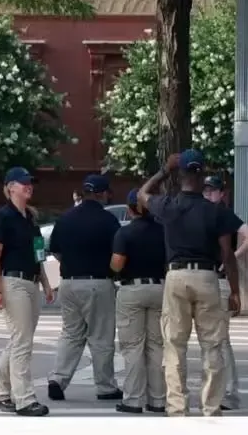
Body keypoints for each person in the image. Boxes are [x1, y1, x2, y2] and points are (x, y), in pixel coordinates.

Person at [138, 150, 240, 417]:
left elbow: (142, 195)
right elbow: (228, 255)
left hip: (176, 276)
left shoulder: (168, 206)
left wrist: (164, 170)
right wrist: (236, 291)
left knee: (174, 345)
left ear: (180, 173)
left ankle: (177, 407)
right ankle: (210, 407)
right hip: (207, 277)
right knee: (212, 345)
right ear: (203, 173)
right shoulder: (216, 212)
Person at [0, 167, 54, 417]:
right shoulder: (4, 217)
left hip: (31, 283)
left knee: (19, 339)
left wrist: (46, 284)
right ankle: (24, 398)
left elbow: (38, 256)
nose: (29, 186)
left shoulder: (30, 220)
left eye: (30, 183)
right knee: (22, 342)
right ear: (10, 187)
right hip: (12, 282)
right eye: (23, 183)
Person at [47, 174, 121, 402]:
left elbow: (55, 251)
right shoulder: (109, 221)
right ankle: (106, 386)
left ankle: (58, 379)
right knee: (101, 336)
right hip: (98, 282)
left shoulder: (66, 218)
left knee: (70, 334)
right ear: (101, 193)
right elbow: (118, 254)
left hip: (68, 282)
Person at [110, 188, 166, 414]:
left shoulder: (125, 233)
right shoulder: (163, 231)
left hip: (132, 289)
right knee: (156, 346)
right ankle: (158, 399)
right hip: (160, 288)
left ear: (129, 209)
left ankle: (133, 399)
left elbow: (117, 264)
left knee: (133, 347)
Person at [202, 175, 246, 411]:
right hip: (205, 278)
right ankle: (218, 389)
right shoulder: (205, 212)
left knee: (220, 339)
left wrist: (232, 258)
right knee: (211, 340)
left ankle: (228, 392)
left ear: (222, 194)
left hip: (217, 279)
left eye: (213, 191)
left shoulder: (223, 214)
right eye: (206, 190)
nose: (209, 194)